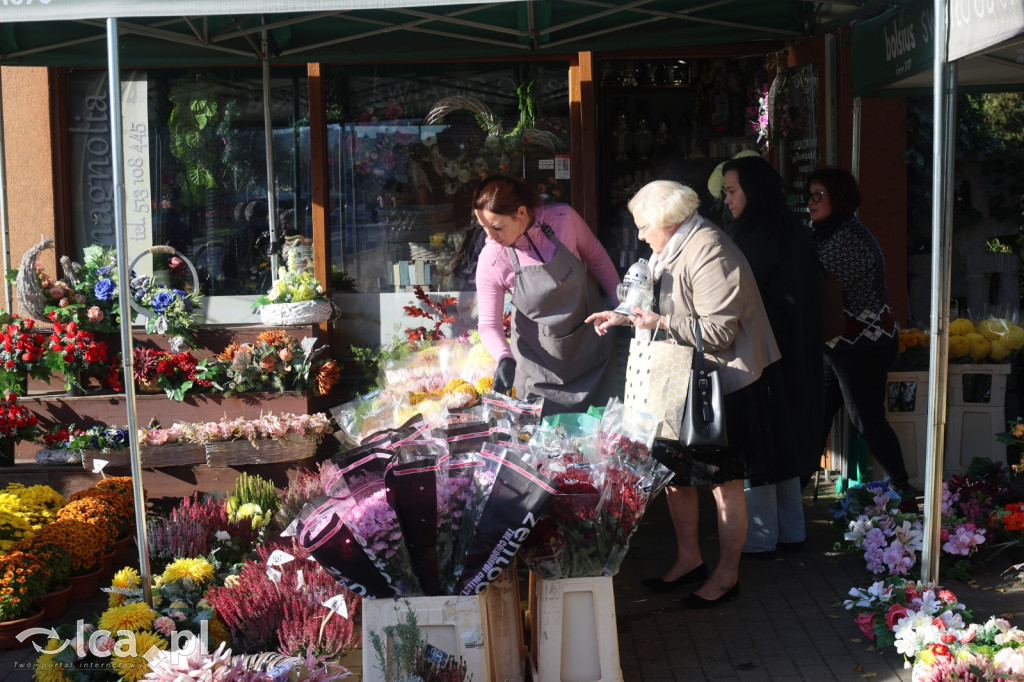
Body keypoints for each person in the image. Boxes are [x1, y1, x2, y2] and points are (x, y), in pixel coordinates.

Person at [586, 180, 781, 608]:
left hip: (723, 383)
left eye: (643, 226)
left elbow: (719, 332)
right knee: (676, 477)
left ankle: (727, 576)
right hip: (682, 379)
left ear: (669, 220)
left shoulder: (710, 248)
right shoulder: (670, 244)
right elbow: (647, 299)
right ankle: (690, 560)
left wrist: (658, 322)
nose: (639, 235)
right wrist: (621, 317)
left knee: (723, 484)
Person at [720, 155, 824, 557]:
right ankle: (789, 531)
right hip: (792, 352)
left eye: (732, 191)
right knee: (782, 439)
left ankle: (760, 537)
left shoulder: (759, 235)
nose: (727, 200)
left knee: (763, 441)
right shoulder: (788, 228)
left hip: (766, 355)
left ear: (753, 190)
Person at [473, 175, 622, 415]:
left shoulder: (563, 218)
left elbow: (598, 259)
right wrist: (504, 358)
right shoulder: (492, 257)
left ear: (521, 213)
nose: (490, 236)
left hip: (592, 352)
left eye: (497, 227)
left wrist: (622, 308)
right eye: (484, 228)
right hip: (539, 368)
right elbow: (489, 325)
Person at [807, 167, 913, 497]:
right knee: (816, 417)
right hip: (839, 343)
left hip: (863, 343)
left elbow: (817, 284)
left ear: (837, 198)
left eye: (818, 195)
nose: (810, 202)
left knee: (866, 418)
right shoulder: (823, 233)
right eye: (808, 195)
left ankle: (903, 490)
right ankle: (789, 500)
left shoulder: (849, 237)